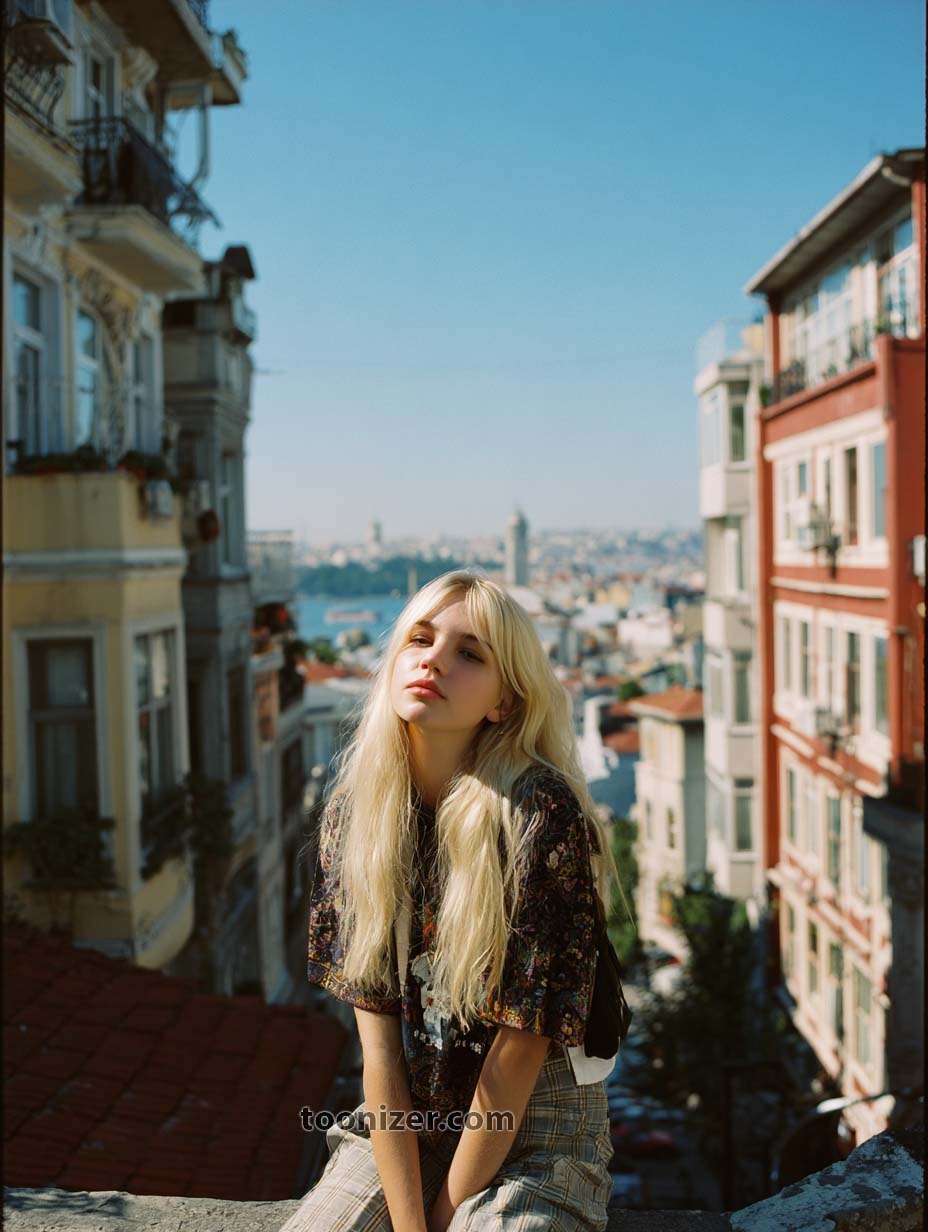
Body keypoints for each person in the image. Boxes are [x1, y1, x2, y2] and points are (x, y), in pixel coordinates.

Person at [280, 570, 625, 1231]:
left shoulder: (538, 814)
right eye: (420, 638)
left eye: (470, 653)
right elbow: (379, 1052)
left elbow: (520, 1050)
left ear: (504, 702)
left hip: (538, 1125)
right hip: (412, 1109)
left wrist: (442, 1219)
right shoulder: (359, 818)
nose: (434, 658)